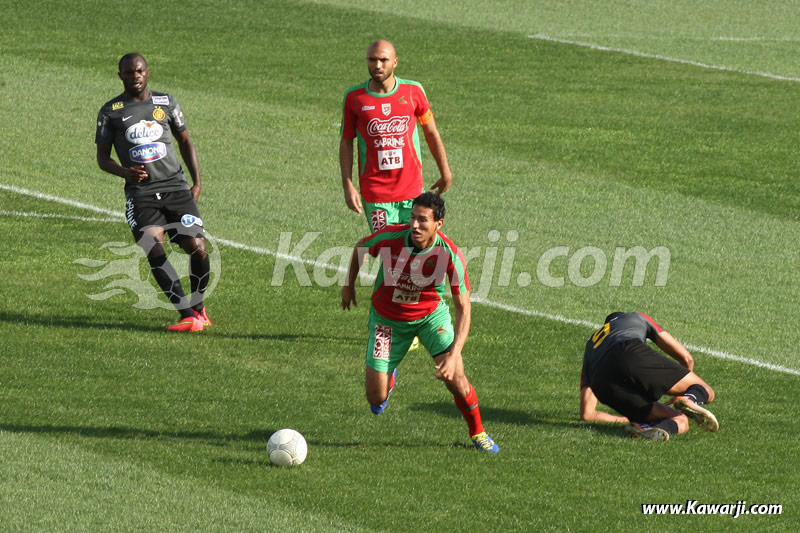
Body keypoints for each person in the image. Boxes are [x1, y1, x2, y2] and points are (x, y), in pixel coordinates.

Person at [341, 192, 499, 453]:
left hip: (429, 318)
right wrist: (348, 285)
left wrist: (454, 355)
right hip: (387, 320)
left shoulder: (450, 254)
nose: (415, 225)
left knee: (457, 379)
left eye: (422, 220)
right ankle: (389, 375)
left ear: (439, 224)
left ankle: (478, 432)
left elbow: (464, 309)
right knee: (375, 399)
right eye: (413, 218)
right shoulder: (392, 237)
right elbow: (361, 248)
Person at [96, 53, 211, 332]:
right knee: (152, 245)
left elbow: (186, 142)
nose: (135, 76)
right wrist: (126, 172)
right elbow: (102, 158)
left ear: (147, 72)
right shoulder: (110, 111)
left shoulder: (167, 103)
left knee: (197, 247)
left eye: (139, 71)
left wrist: (196, 183)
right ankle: (186, 315)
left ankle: (198, 307)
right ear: (120, 75)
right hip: (142, 194)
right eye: (128, 72)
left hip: (175, 188)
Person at [339, 40, 453, 233]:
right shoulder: (354, 98)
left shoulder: (413, 92)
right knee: (389, 252)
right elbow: (347, 142)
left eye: (383, 60)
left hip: (412, 192)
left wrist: (446, 171)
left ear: (395, 62)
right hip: (376, 194)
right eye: (372, 60)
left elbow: (431, 132)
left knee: (415, 250)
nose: (377, 65)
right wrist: (347, 185)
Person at [580, 312, 719, 441]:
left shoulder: (590, 345)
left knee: (680, 420)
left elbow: (587, 414)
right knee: (705, 389)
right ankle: (690, 399)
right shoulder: (635, 316)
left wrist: (624, 418)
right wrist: (685, 390)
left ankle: (645, 428)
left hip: (601, 383)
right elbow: (686, 358)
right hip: (628, 351)